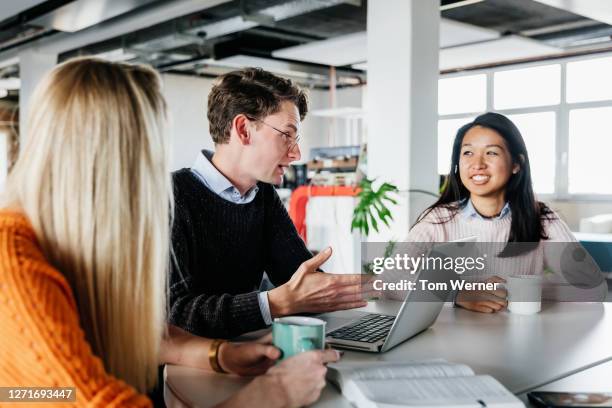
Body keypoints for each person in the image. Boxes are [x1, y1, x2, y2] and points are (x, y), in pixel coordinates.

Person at [0, 57, 338, 407]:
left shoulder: (65, 241)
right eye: (148, 157)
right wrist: (274, 393)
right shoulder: (14, 267)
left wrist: (217, 354)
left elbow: (131, 335)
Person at [170, 67, 369, 338]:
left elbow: (300, 280)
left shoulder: (262, 195)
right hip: (185, 371)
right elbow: (175, 315)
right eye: (287, 135)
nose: (297, 153)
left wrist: (389, 284)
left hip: (246, 355)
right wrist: (275, 303)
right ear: (243, 129)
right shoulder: (171, 197)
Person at [408, 112, 607, 313]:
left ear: (516, 164)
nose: (477, 164)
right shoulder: (437, 220)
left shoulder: (542, 218)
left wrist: (518, 288)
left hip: (520, 338)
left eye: (491, 153)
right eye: (468, 153)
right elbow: (390, 280)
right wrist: (457, 293)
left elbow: (592, 287)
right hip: (448, 341)